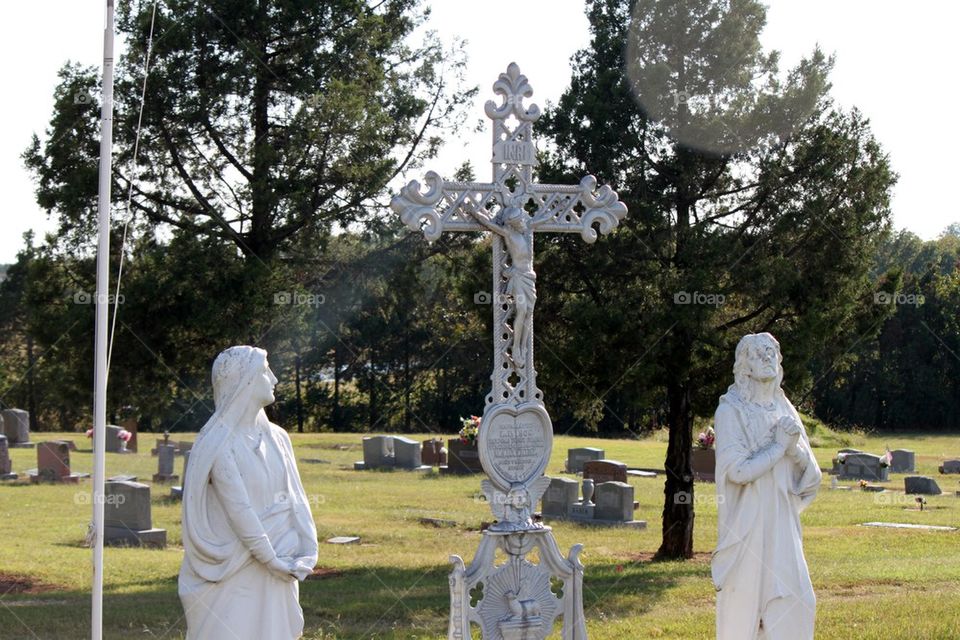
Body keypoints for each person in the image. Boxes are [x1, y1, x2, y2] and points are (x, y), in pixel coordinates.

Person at [179, 346, 318, 640]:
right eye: (265, 370)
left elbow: (296, 499)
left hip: (280, 563)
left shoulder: (278, 438)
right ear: (244, 382)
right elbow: (239, 509)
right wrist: (271, 560)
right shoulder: (217, 443)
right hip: (234, 570)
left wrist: (305, 551)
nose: (274, 378)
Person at [712, 333, 821, 640]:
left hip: (784, 526)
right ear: (743, 364)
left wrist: (794, 450)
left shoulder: (785, 408)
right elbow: (737, 471)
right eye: (758, 353)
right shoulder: (730, 411)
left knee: (799, 602)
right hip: (749, 528)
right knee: (743, 611)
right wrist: (777, 448)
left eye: (771, 351)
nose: (767, 357)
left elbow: (811, 475)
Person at [468, 198, 536, 368]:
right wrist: (474, 211)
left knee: (528, 313)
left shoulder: (525, 234)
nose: (523, 222)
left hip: (529, 277)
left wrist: (558, 207)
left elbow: (540, 220)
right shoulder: (509, 234)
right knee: (521, 310)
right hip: (519, 277)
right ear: (512, 224)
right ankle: (516, 349)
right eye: (520, 220)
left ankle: (522, 346)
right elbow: (490, 223)